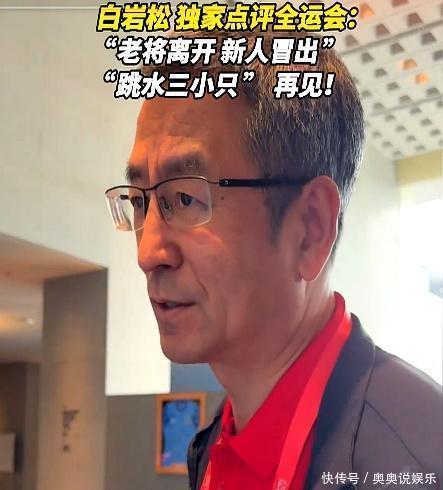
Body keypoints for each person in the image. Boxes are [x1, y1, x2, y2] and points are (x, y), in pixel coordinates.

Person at [105, 30, 442, 490]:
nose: (148, 254)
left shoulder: (418, 462)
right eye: (140, 201)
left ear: (309, 229)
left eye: (185, 198)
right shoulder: (212, 445)